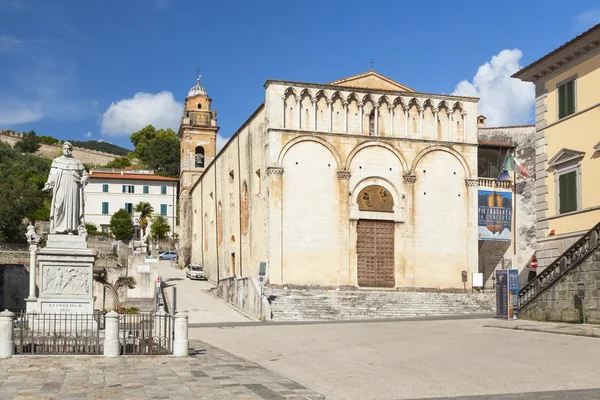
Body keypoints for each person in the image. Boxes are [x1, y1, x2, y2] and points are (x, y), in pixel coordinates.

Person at [42, 142, 89, 235]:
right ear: (62, 149)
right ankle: (57, 228)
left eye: (68, 149)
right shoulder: (56, 161)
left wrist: (82, 180)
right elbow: (52, 174)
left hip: (73, 186)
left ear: (71, 150)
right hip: (60, 185)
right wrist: (48, 184)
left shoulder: (77, 162)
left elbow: (86, 175)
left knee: (72, 206)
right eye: (64, 148)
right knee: (58, 205)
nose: (66, 150)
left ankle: (70, 229)